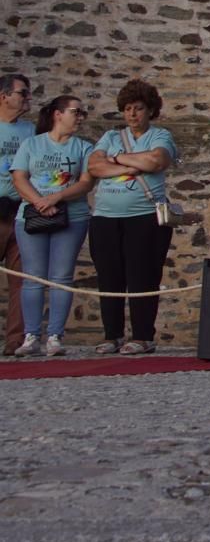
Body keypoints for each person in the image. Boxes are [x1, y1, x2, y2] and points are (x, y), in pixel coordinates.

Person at [85, 79, 180, 355]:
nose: (132, 114)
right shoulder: (111, 137)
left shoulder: (160, 136)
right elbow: (94, 166)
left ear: (149, 110)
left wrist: (115, 159)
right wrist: (129, 164)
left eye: (138, 108)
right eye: (127, 109)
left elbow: (155, 161)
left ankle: (142, 335)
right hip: (105, 217)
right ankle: (112, 334)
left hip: (143, 216)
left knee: (143, 276)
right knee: (109, 277)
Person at [8, 95, 94, 356]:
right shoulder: (32, 144)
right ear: (58, 114)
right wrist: (40, 202)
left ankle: (55, 335)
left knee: (61, 277)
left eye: (82, 113)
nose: (80, 117)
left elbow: (86, 182)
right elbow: (19, 177)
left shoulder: (84, 148)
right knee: (33, 277)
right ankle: (31, 335)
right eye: (75, 111)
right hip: (32, 216)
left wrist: (57, 197)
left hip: (71, 216)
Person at [0, 73, 33, 355]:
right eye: (22, 93)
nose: (27, 98)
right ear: (4, 96)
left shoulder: (30, 131)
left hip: (18, 210)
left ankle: (15, 341)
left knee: (21, 280)